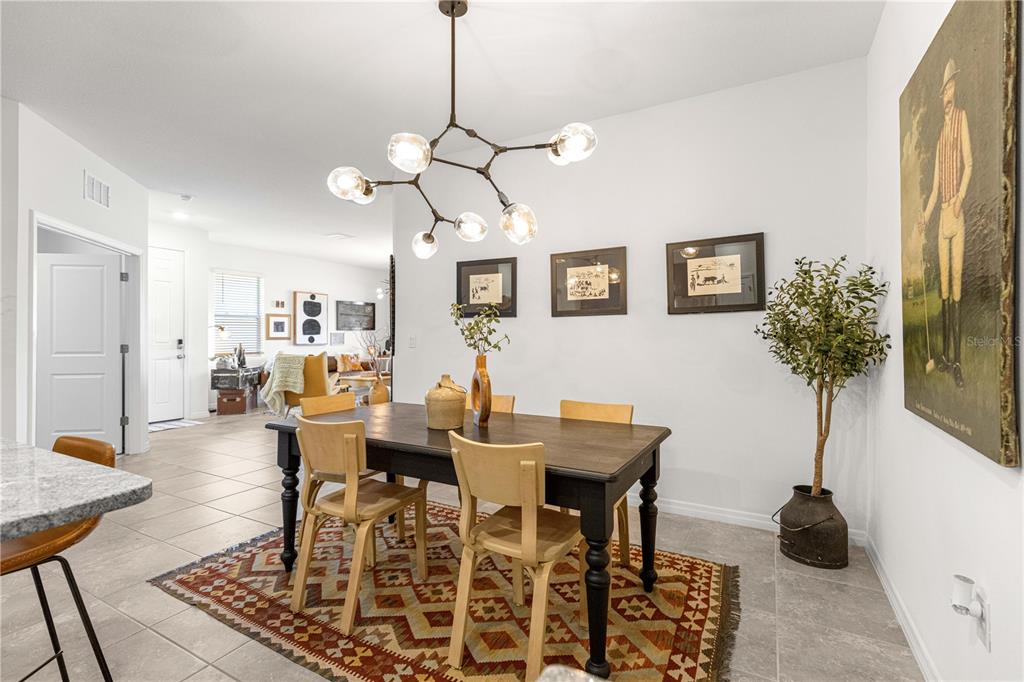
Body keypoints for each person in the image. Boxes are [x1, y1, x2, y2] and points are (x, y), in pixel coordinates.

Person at [917, 58, 973, 388]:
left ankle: (958, 363)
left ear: (956, 89)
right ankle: (944, 356)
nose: (947, 93)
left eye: (951, 87)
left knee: (956, 287)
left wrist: (961, 197)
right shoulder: (940, 135)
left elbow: (969, 163)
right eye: (944, 89)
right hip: (941, 219)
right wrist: (925, 216)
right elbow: (936, 186)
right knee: (943, 288)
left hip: (957, 214)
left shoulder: (962, 120)